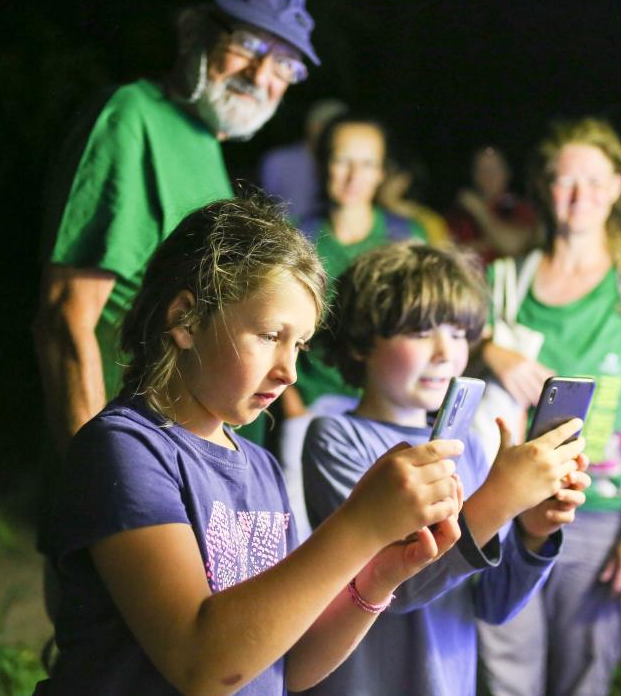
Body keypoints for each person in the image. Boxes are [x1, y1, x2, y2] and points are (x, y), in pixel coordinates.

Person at [37, 196, 466, 694]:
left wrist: (376, 578)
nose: (290, 371)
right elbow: (203, 663)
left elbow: (287, 666)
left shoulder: (259, 466)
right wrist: (359, 524)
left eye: (300, 344)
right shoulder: (126, 449)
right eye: (268, 335)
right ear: (186, 320)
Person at [35, 0, 320, 456]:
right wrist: (92, 475)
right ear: (197, 32)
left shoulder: (209, 147)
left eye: (285, 63)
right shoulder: (132, 116)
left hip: (194, 460)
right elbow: (66, 314)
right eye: (248, 44)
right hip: (131, 449)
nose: (260, 75)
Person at [300, 241, 591, 695]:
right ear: (362, 343)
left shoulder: (468, 446)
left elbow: (492, 604)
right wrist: (500, 499)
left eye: (458, 333)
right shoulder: (336, 439)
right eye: (420, 332)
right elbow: (395, 587)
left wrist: (532, 532)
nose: (444, 352)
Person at [476, 117, 621, 695]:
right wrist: (492, 350)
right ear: (545, 187)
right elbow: (446, 352)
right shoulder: (506, 280)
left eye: (595, 182)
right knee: (505, 682)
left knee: (582, 685)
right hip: (509, 506)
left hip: (601, 513)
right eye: (566, 181)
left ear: (618, 186)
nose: (579, 197)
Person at [278, 113, 426, 538]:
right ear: (324, 165)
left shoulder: (404, 239)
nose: (352, 175)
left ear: (381, 172)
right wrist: (293, 407)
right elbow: (276, 327)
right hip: (309, 405)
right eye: (342, 161)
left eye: (366, 163)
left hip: (384, 411)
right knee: (302, 538)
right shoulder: (297, 237)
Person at [445, 145, 540, 265]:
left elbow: (513, 245)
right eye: (481, 169)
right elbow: (446, 251)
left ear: (508, 172)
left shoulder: (520, 208)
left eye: (494, 169)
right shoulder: (459, 213)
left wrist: (479, 211)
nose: (488, 176)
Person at [257, 97, 346, 220]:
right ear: (310, 126)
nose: (329, 132)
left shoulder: (344, 165)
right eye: (325, 125)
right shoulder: (277, 160)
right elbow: (266, 204)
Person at [376, 146, 451, 246]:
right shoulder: (366, 216)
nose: (380, 179)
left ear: (405, 180)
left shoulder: (428, 222)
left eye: (389, 174)